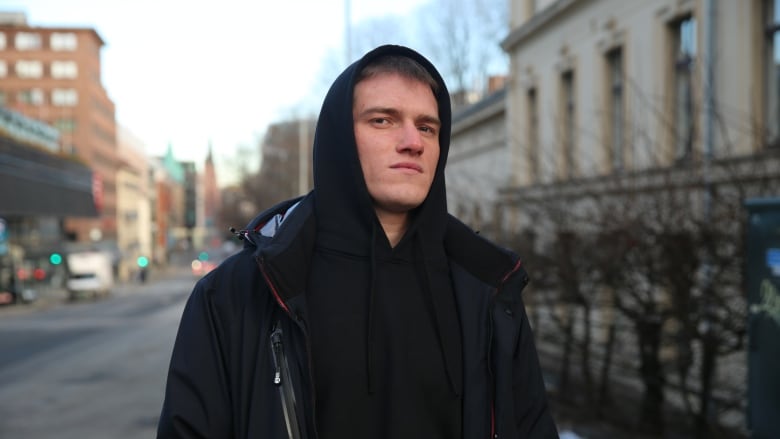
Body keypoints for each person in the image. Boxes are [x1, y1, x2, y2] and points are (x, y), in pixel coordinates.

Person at [157, 44, 558, 439]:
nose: (412, 141)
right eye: (383, 120)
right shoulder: (239, 294)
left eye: (427, 127)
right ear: (338, 140)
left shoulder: (488, 287)